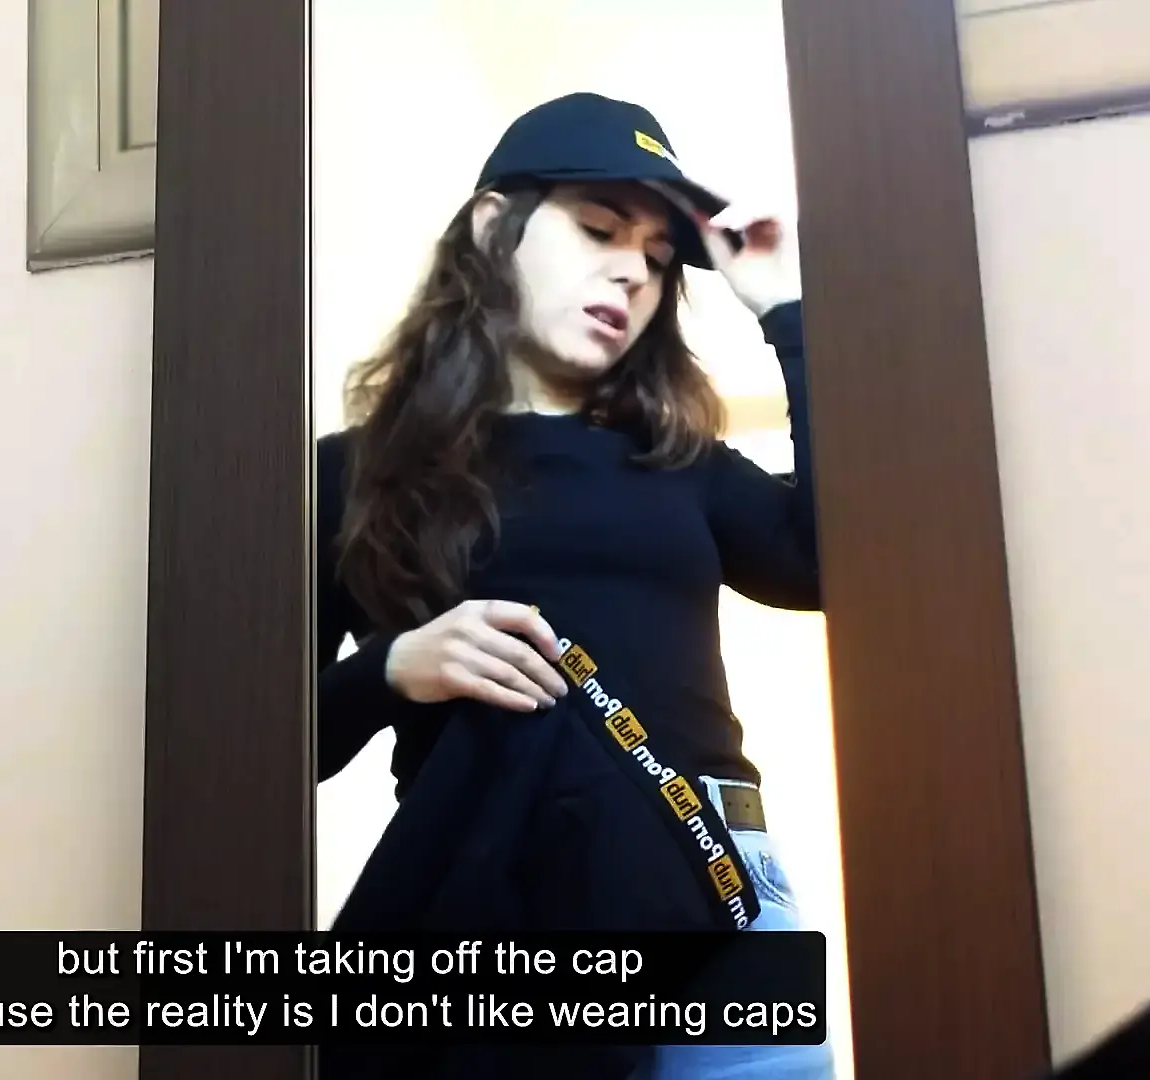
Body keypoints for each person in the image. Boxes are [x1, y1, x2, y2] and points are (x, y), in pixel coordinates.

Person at [314, 92, 832, 1079]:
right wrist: (393, 668)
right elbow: (263, 751)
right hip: (499, 898)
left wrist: (785, 311)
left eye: (657, 256)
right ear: (492, 227)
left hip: (716, 879)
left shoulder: (680, 462)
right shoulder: (354, 474)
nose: (633, 271)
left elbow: (836, 565)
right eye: (598, 230)